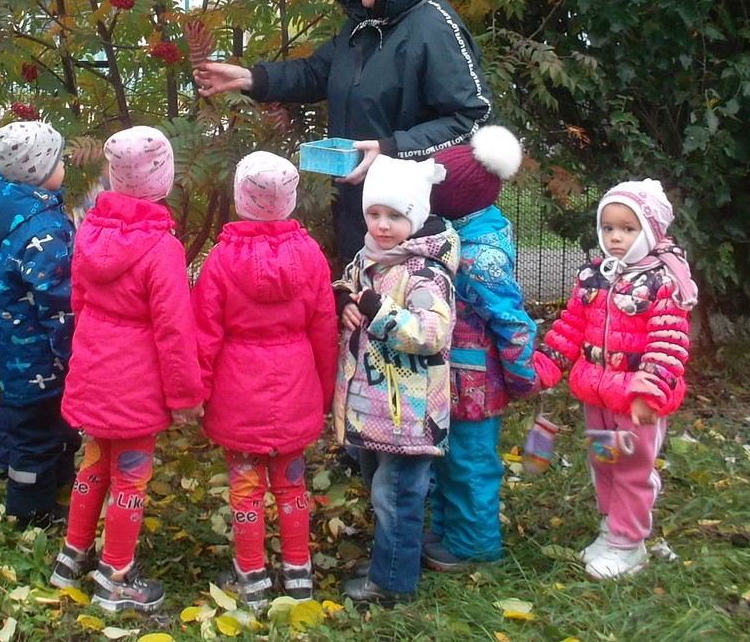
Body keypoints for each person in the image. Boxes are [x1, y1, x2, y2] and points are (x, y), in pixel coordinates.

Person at [192, 0, 494, 265]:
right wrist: (250, 78)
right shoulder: (360, 27)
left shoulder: (434, 28)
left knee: (406, 301)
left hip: (412, 220)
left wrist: (392, 148)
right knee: (358, 294)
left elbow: (472, 118)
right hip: (358, 208)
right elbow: (315, 73)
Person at [49, 126, 203, 614]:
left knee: (94, 462)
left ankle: (71, 556)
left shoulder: (89, 230)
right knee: (130, 477)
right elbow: (174, 330)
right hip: (135, 383)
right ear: (164, 179)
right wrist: (185, 396)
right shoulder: (162, 248)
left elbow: (78, 300)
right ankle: (115, 576)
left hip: (94, 368)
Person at [191, 151, 338, 609]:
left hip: (239, 392)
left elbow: (204, 333)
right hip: (295, 385)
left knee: (245, 486)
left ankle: (251, 576)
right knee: (292, 484)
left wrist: (198, 390)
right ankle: (298, 573)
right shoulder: (311, 256)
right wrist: (325, 391)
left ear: (240, 197)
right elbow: (324, 328)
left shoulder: (221, 260)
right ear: (290, 200)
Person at [533, 179, 697, 579]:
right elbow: (571, 326)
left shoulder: (663, 281)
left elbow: (668, 342)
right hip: (598, 396)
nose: (615, 237)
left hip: (636, 403)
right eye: (608, 228)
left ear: (651, 231)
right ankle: (611, 528)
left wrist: (648, 393)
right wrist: (545, 366)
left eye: (628, 228)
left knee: (632, 469)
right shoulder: (595, 276)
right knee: (604, 462)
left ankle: (629, 543)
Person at [332, 155, 455, 606]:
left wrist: (376, 310)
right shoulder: (371, 257)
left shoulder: (425, 272)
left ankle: (392, 584)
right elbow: (348, 286)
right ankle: (392, 559)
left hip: (410, 412)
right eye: (374, 213)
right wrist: (344, 300)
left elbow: (431, 332)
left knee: (398, 495)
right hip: (373, 405)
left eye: (396, 216)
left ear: (416, 217)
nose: (383, 225)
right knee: (380, 489)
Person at [422, 125, 539, 571]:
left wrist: (523, 375)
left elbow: (511, 321)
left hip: (476, 380)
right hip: (452, 373)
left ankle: (475, 546)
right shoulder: (460, 236)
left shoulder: (479, 257)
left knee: (470, 463)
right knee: (448, 458)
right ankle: (449, 529)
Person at [0, 119, 79, 527]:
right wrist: (70, 353)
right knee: (39, 432)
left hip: (8, 340)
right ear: (39, 172)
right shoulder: (44, 230)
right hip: (38, 356)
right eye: (58, 160)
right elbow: (57, 300)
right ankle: (30, 510)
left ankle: (22, 470)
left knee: (21, 413)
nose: (64, 165)